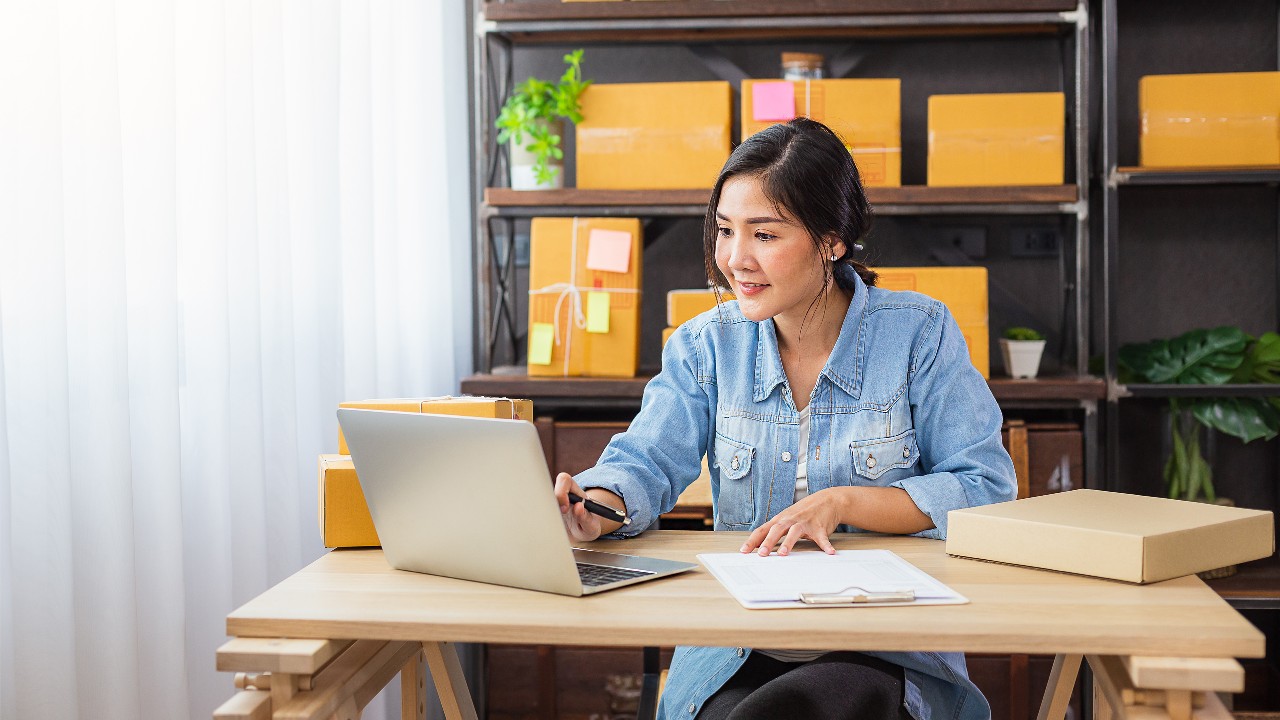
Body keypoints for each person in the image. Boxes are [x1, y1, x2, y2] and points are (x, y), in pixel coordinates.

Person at [552, 117, 1017, 720]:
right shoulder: (704, 346)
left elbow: (984, 488)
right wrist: (595, 505)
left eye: (764, 234)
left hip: (880, 644)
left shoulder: (919, 334)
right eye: (724, 231)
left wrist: (845, 503)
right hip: (738, 647)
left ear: (833, 239)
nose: (733, 260)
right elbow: (644, 462)